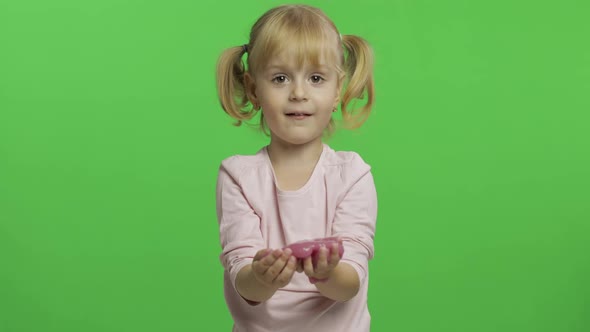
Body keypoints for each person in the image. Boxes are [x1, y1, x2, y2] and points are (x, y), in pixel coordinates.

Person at [215, 4, 377, 331]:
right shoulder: (238, 177)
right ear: (253, 89)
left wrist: (326, 272)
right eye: (280, 78)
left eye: (316, 78)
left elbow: (350, 283)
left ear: (336, 91)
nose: (299, 93)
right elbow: (244, 283)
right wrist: (262, 276)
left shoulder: (353, 175)